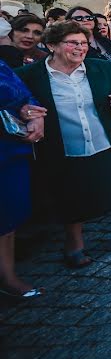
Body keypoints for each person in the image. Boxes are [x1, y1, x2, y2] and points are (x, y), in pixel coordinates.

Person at [16, 21, 111, 267]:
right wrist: (25, 111)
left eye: (83, 43)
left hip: (107, 138)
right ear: (52, 45)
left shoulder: (102, 68)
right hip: (63, 145)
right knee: (70, 193)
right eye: (73, 42)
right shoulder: (30, 76)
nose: (80, 48)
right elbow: (16, 104)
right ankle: (74, 242)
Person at [0, 60, 45, 300]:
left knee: (7, 215)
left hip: (7, 150)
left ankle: (7, 277)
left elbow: (21, 93)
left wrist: (33, 113)